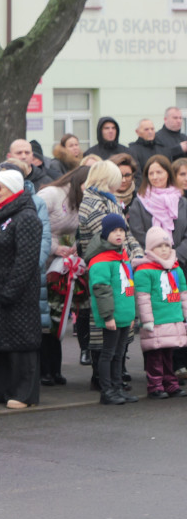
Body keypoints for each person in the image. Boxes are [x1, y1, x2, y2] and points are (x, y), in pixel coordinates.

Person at [0, 170, 44, 409]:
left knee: (20, 342)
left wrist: (11, 290)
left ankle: (23, 393)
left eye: (0, 188)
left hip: (17, 292)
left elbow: (26, 260)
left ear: (13, 190)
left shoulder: (26, 217)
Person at [38, 165, 91, 382]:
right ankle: (43, 371)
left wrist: (72, 247)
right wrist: (53, 248)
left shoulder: (81, 201)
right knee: (45, 318)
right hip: (43, 262)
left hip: (60, 265)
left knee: (58, 315)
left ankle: (55, 370)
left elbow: (70, 233)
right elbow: (36, 226)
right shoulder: (51, 194)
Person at [85, 214, 138, 405]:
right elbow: (101, 290)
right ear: (106, 233)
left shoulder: (122, 255)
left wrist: (132, 314)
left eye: (122, 230)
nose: (119, 234)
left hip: (124, 314)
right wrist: (108, 316)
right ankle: (107, 391)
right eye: (114, 231)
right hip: (112, 315)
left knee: (120, 352)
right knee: (108, 353)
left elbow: (128, 286)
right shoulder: (101, 260)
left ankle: (117, 388)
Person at [133, 226, 187, 399]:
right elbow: (143, 297)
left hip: (173, 319)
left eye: (167, 246)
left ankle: (171, 384)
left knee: (169, 355)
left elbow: (183, 294)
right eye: (159, 246)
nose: (164, 250)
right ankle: (155, 385)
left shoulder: (176, 269)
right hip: (156, 320)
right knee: (154, 356)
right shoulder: (145, 270)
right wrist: (147, 319)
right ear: (150, 249)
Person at [126, 155, 187, 267]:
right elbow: (137, 233)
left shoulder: (183, 203)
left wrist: (176, 256)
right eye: (151, 173)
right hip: (151, 265)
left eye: (159, 172)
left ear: (168, 173)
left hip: (182, 264)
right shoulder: (139, 203)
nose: (155, 177)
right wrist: (158, 256)